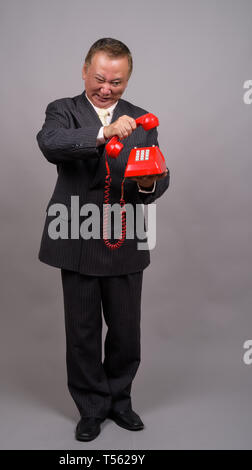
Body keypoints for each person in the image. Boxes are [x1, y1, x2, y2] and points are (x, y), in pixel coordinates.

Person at [36, 38, 170, 441]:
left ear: (127, 79)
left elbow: (160, 178)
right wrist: (103, 132)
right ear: (84, 71)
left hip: (125, 237)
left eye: (117, 81)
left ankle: (120, 402)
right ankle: (91, 408)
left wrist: (149, 182)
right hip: (75, 233)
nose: (107, 88)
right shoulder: (63, 110)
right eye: (99, 79)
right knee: (82, 333)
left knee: (127, 333)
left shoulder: (142, 118)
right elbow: (50, 143)